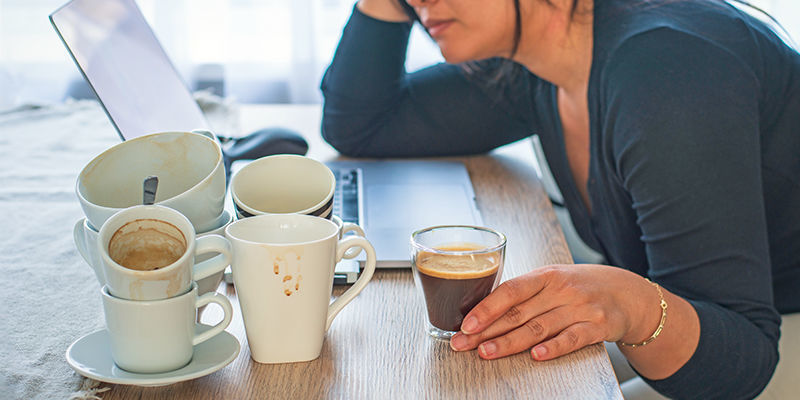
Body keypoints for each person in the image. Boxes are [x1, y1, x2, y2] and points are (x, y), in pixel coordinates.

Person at [319, 0, 800, 398]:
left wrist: (631, 304)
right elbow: (363, 124)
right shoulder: (541, 63)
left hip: (767, 338)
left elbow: (744, 361)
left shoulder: (664, 71)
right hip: (709, 327)